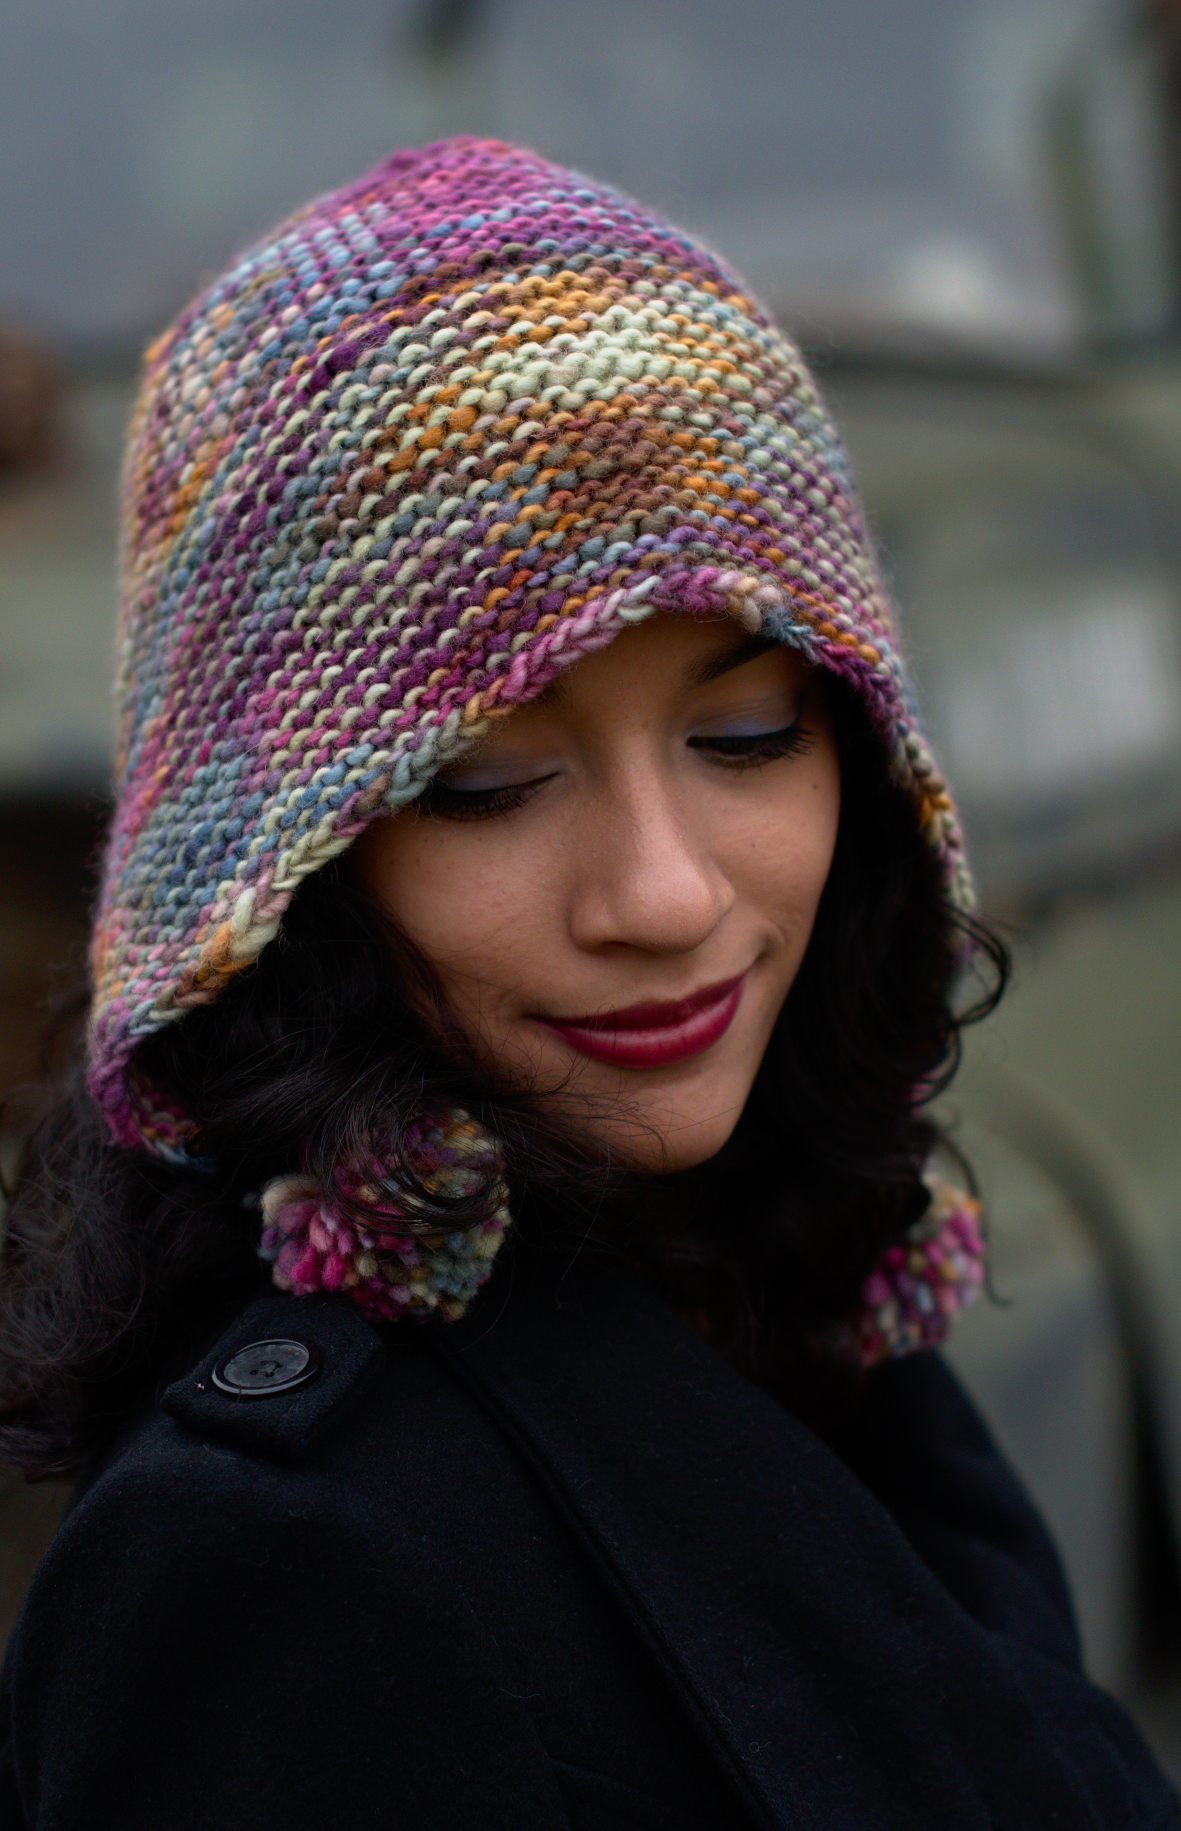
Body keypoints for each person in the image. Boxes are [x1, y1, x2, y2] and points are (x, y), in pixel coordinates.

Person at [0, 136, 1176, 1831]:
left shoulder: (801, 1288)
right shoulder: (275, 1561)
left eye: (746, 735)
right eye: (482, 783)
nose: (663, 893)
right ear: (291, 866)